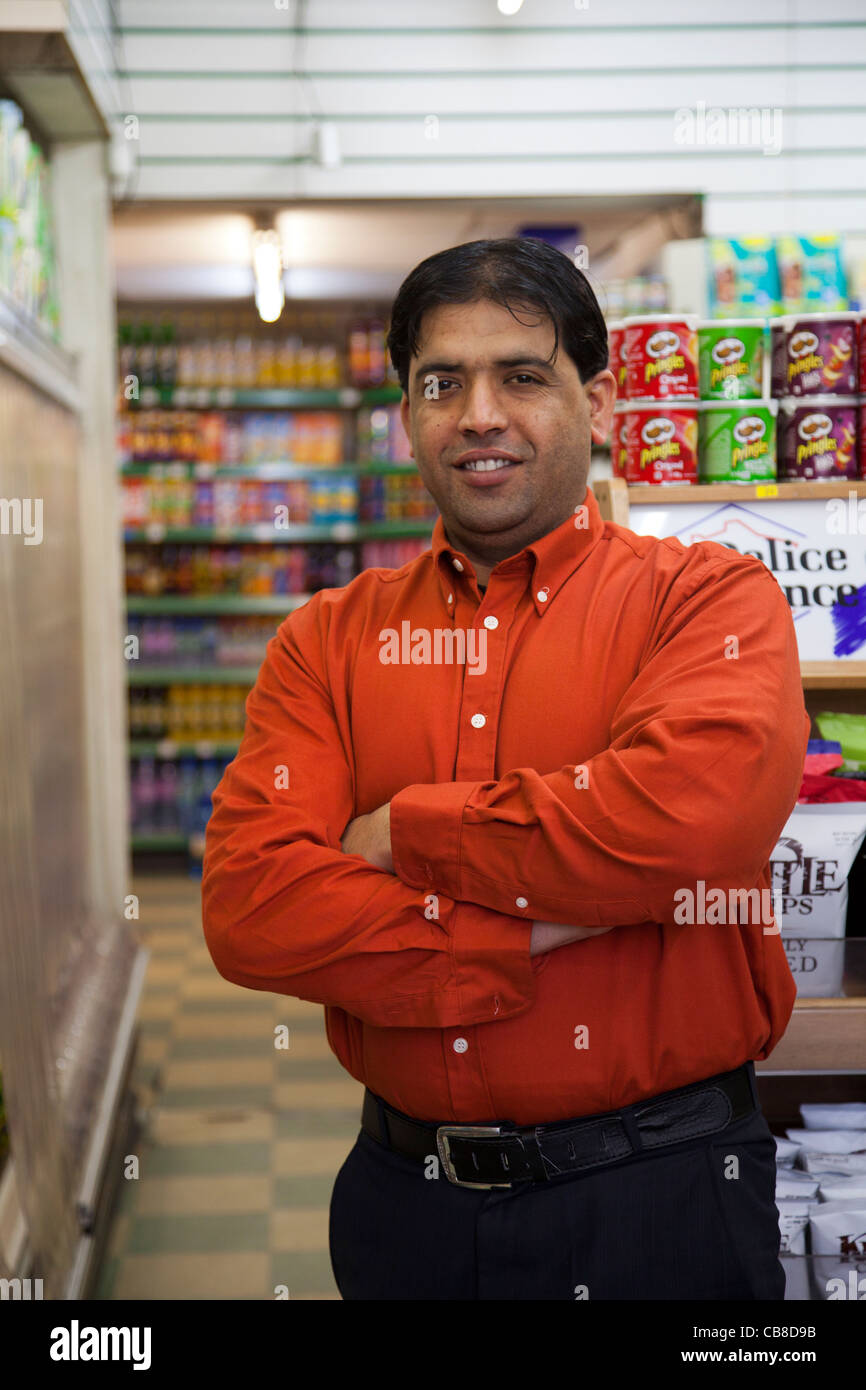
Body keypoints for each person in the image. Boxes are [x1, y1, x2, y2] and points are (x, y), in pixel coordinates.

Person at [201, 238, 810, 1301]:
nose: (478, 412)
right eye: (442, 382)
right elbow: (252, 906)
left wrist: (402, 835)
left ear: (602, 403)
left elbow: (689, 829)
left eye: (522, 375)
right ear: (407, 416)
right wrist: (540, 919)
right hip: (406, 1206)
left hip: (662, 1201)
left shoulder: (708, 599)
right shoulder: (325, 640)